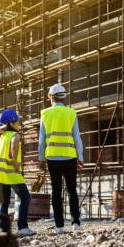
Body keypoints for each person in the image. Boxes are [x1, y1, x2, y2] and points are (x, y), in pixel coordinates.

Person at [38, 83, 84, 234]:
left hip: (52, 158)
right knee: (72, 191)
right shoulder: (71, 113)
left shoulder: (45, 113)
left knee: (56, 192)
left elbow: (42, 139)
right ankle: (76, 223)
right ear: (64, 97)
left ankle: (59, 226)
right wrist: (80, 156)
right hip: (70, 157)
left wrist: (40, 158)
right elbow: (77, 137)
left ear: (51, 97)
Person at [0, 109, 35, 236]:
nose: (19, 123)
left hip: (0, 173)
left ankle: (4, 228)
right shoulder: (15, 136)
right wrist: (16, 163)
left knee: (4, 201)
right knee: (26, 197)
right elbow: (13, 147)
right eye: (17, 120)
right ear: (11, 123)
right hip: (12, 173)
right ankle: (22, 227)